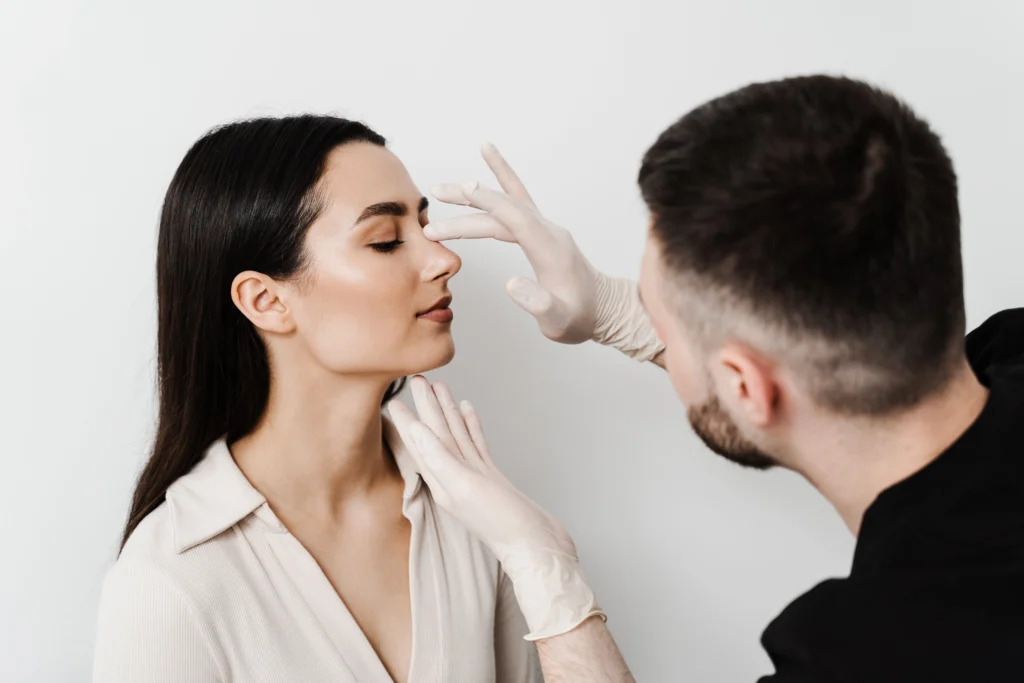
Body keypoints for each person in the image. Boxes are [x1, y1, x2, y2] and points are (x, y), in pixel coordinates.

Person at [386, 75, 1024, 682]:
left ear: (746, 388)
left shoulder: (877, 655)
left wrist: (542, 568)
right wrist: (614, 311)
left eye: (663, 323)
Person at [92, 116, 541, 683]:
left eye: (426, 227)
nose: (443, 259)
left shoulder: (471, 508)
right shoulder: (173, 582)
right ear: (266, 300)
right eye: (386, 241)